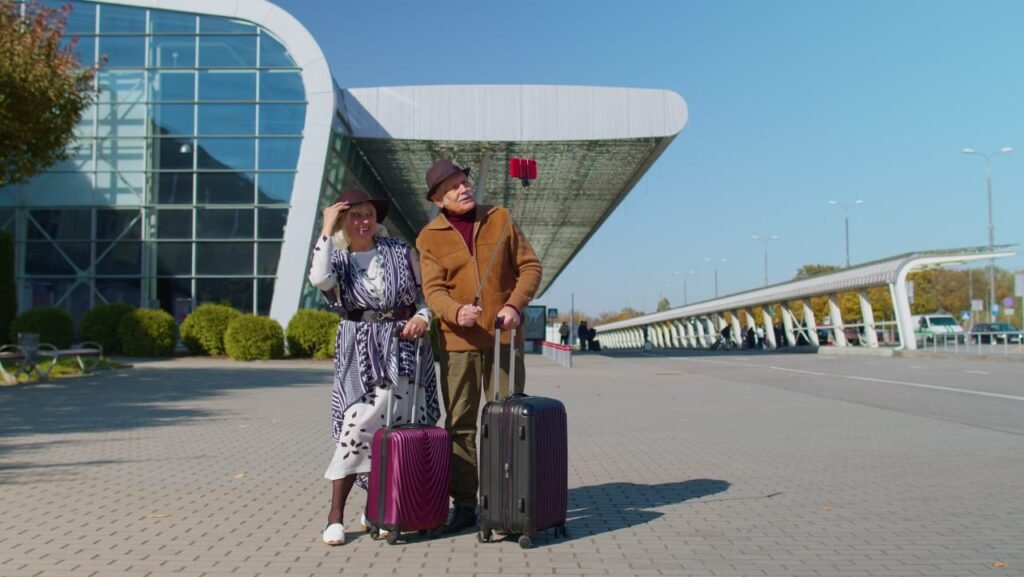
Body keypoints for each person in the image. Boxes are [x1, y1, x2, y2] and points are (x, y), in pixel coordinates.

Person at [307, 188, 440, 546]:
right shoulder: (337, 257)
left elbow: (427, 292)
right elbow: (318, 279)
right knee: (357, 426)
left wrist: (424, 317)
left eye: (368, 214)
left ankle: (378, 509)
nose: (363, 221)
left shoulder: (398, 250)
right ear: (342, 222)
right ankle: (335, 515)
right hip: (360, 350)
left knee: (397, 430)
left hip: (404, 346)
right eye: (354, 216)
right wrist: (325, 227)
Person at [416, 159, 542, 533]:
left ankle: (508, 504)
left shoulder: (501, 218)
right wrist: (455, 312)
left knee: (508, 421)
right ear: (438, 199)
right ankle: (467, 505)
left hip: (504, 339)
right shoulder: (429, 237)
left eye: (464, 180)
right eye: (452, 186)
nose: (463, 188)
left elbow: (530, 267)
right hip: (458, 345)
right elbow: (433, 291)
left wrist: (513, 306)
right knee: (461, 427)